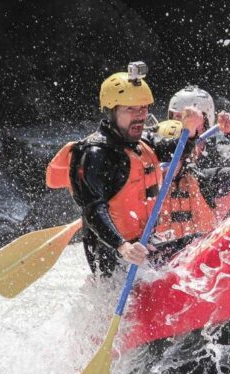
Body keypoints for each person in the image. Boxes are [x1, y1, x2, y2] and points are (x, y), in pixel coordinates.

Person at [45, 63, 204, 277]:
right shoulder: (94, 154)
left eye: (144, 108)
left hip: (144, 244)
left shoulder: (141, 142)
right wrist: (122, 247)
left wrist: (190, 130)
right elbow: (93, 210)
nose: (140, 115)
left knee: (201, 243)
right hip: (112, 254)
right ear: (111, 111)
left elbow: (177, 150)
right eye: (131, 109)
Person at [144, 86, 230, 264]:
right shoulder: (144, 172)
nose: (185, 122)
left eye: (190, 117)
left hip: (209, 234)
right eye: (176, 117)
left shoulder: (207, 174)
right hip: (159, 257)